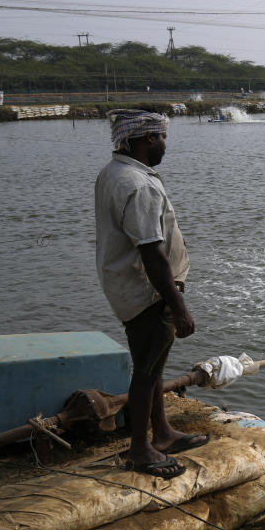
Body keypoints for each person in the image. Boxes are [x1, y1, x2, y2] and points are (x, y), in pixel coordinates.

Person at [95, 109, 209, 478]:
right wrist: (179, 307)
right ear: (146, 140)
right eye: (161, 138)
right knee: (146, 370)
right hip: (147, 291)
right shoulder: (138, 185)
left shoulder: (114, 173)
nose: (164, 145)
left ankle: (161, 433)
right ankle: (140, 449)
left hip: (127, 285)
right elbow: (151, 251)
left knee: (154, 364)